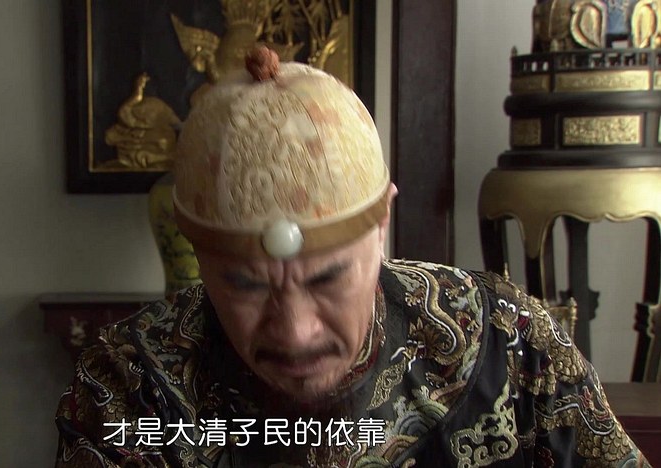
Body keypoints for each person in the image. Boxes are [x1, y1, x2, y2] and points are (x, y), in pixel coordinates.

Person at [54, 47, 649, 467]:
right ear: (199, 256)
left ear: (383, 222)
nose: (295, 332)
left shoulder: (508, 343)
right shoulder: (131, 388)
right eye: (247, 285)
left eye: (328, 278)